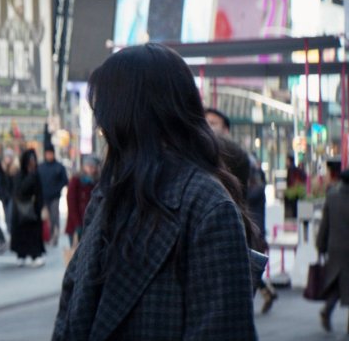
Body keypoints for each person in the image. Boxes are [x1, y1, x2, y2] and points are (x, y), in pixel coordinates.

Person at [52, 43, 258, 340]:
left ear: (132, 118)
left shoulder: (207, 207)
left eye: (106, 116)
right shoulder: (108, 195)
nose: (102, 130)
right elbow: (71, 306)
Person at [316, 170, 349, 333]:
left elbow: (324, 224)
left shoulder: (332, 197)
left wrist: (320, 245)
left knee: (337, 283)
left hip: (334, 248)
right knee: (343, 284)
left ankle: (327, 310)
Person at [247, 153, 277, 313]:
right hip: (255, 231)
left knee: (250, 265)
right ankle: (267, 292)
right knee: (249, 264)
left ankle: (267, 293)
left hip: (255, 232)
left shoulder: (256, 189)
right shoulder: (256, 188)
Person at [205, 108, 250, 200]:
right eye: (205, 123)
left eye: (213, 123)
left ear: (226, 129)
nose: (208, 127)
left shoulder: (235, 154)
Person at [10, 149, 45, 267]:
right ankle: (21, 255)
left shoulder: (37, 173)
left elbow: (40, 192)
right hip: (21, 209)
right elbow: (19, 191)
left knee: (34, 233)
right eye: (30, 160)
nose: (33, 162)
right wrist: (30, 177)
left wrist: (41, 207)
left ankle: (36, 255)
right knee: (22, 233)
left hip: (34, 209)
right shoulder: (20, 175)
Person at [65, 155, 99, 246]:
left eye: (93, 167)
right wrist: (77, 224)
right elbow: (71, 202)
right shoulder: (76, 180)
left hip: (92, 223)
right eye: (88, 166)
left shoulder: (97, 181)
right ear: (83, 166)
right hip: (76, 223)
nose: (91, 169)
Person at [38, 145, 68, 246]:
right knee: (46, 218)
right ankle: (47, 236)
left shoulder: (59, 167)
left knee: (55, 217)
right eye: (47, 153)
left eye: (50, 153)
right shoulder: (41, 167)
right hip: (43, 197)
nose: (49, 155)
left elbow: (65, 181)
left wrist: (57, 189)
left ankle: (55, 235)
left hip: (55, 196)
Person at [0, 148, 19, 233]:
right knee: (6, 215)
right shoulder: (1, 169)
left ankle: (11, 231)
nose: (7, 159)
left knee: (10, 214)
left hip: (12, 195)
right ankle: (9, 230)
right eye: (6, 157)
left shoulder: (15, 169)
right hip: (4, 195)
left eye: (9, 157)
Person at [284, 154, 307, 218]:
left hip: (293, 194)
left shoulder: (291, 169)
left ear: (289, 160)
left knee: (293, 211)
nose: (285, 162)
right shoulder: (295, 168)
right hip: (296, 193)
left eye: (286, 160)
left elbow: (291, 182)